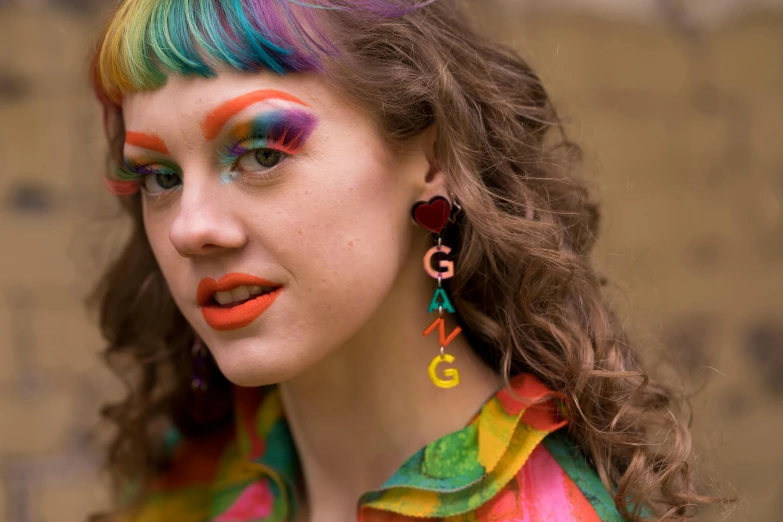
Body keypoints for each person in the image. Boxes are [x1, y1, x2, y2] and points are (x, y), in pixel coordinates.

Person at [88, 1, 724, 521]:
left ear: (433, 159)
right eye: (159, 177)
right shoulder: (186, 479)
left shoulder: (549, 512)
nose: (190, 229)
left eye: (260, 152)